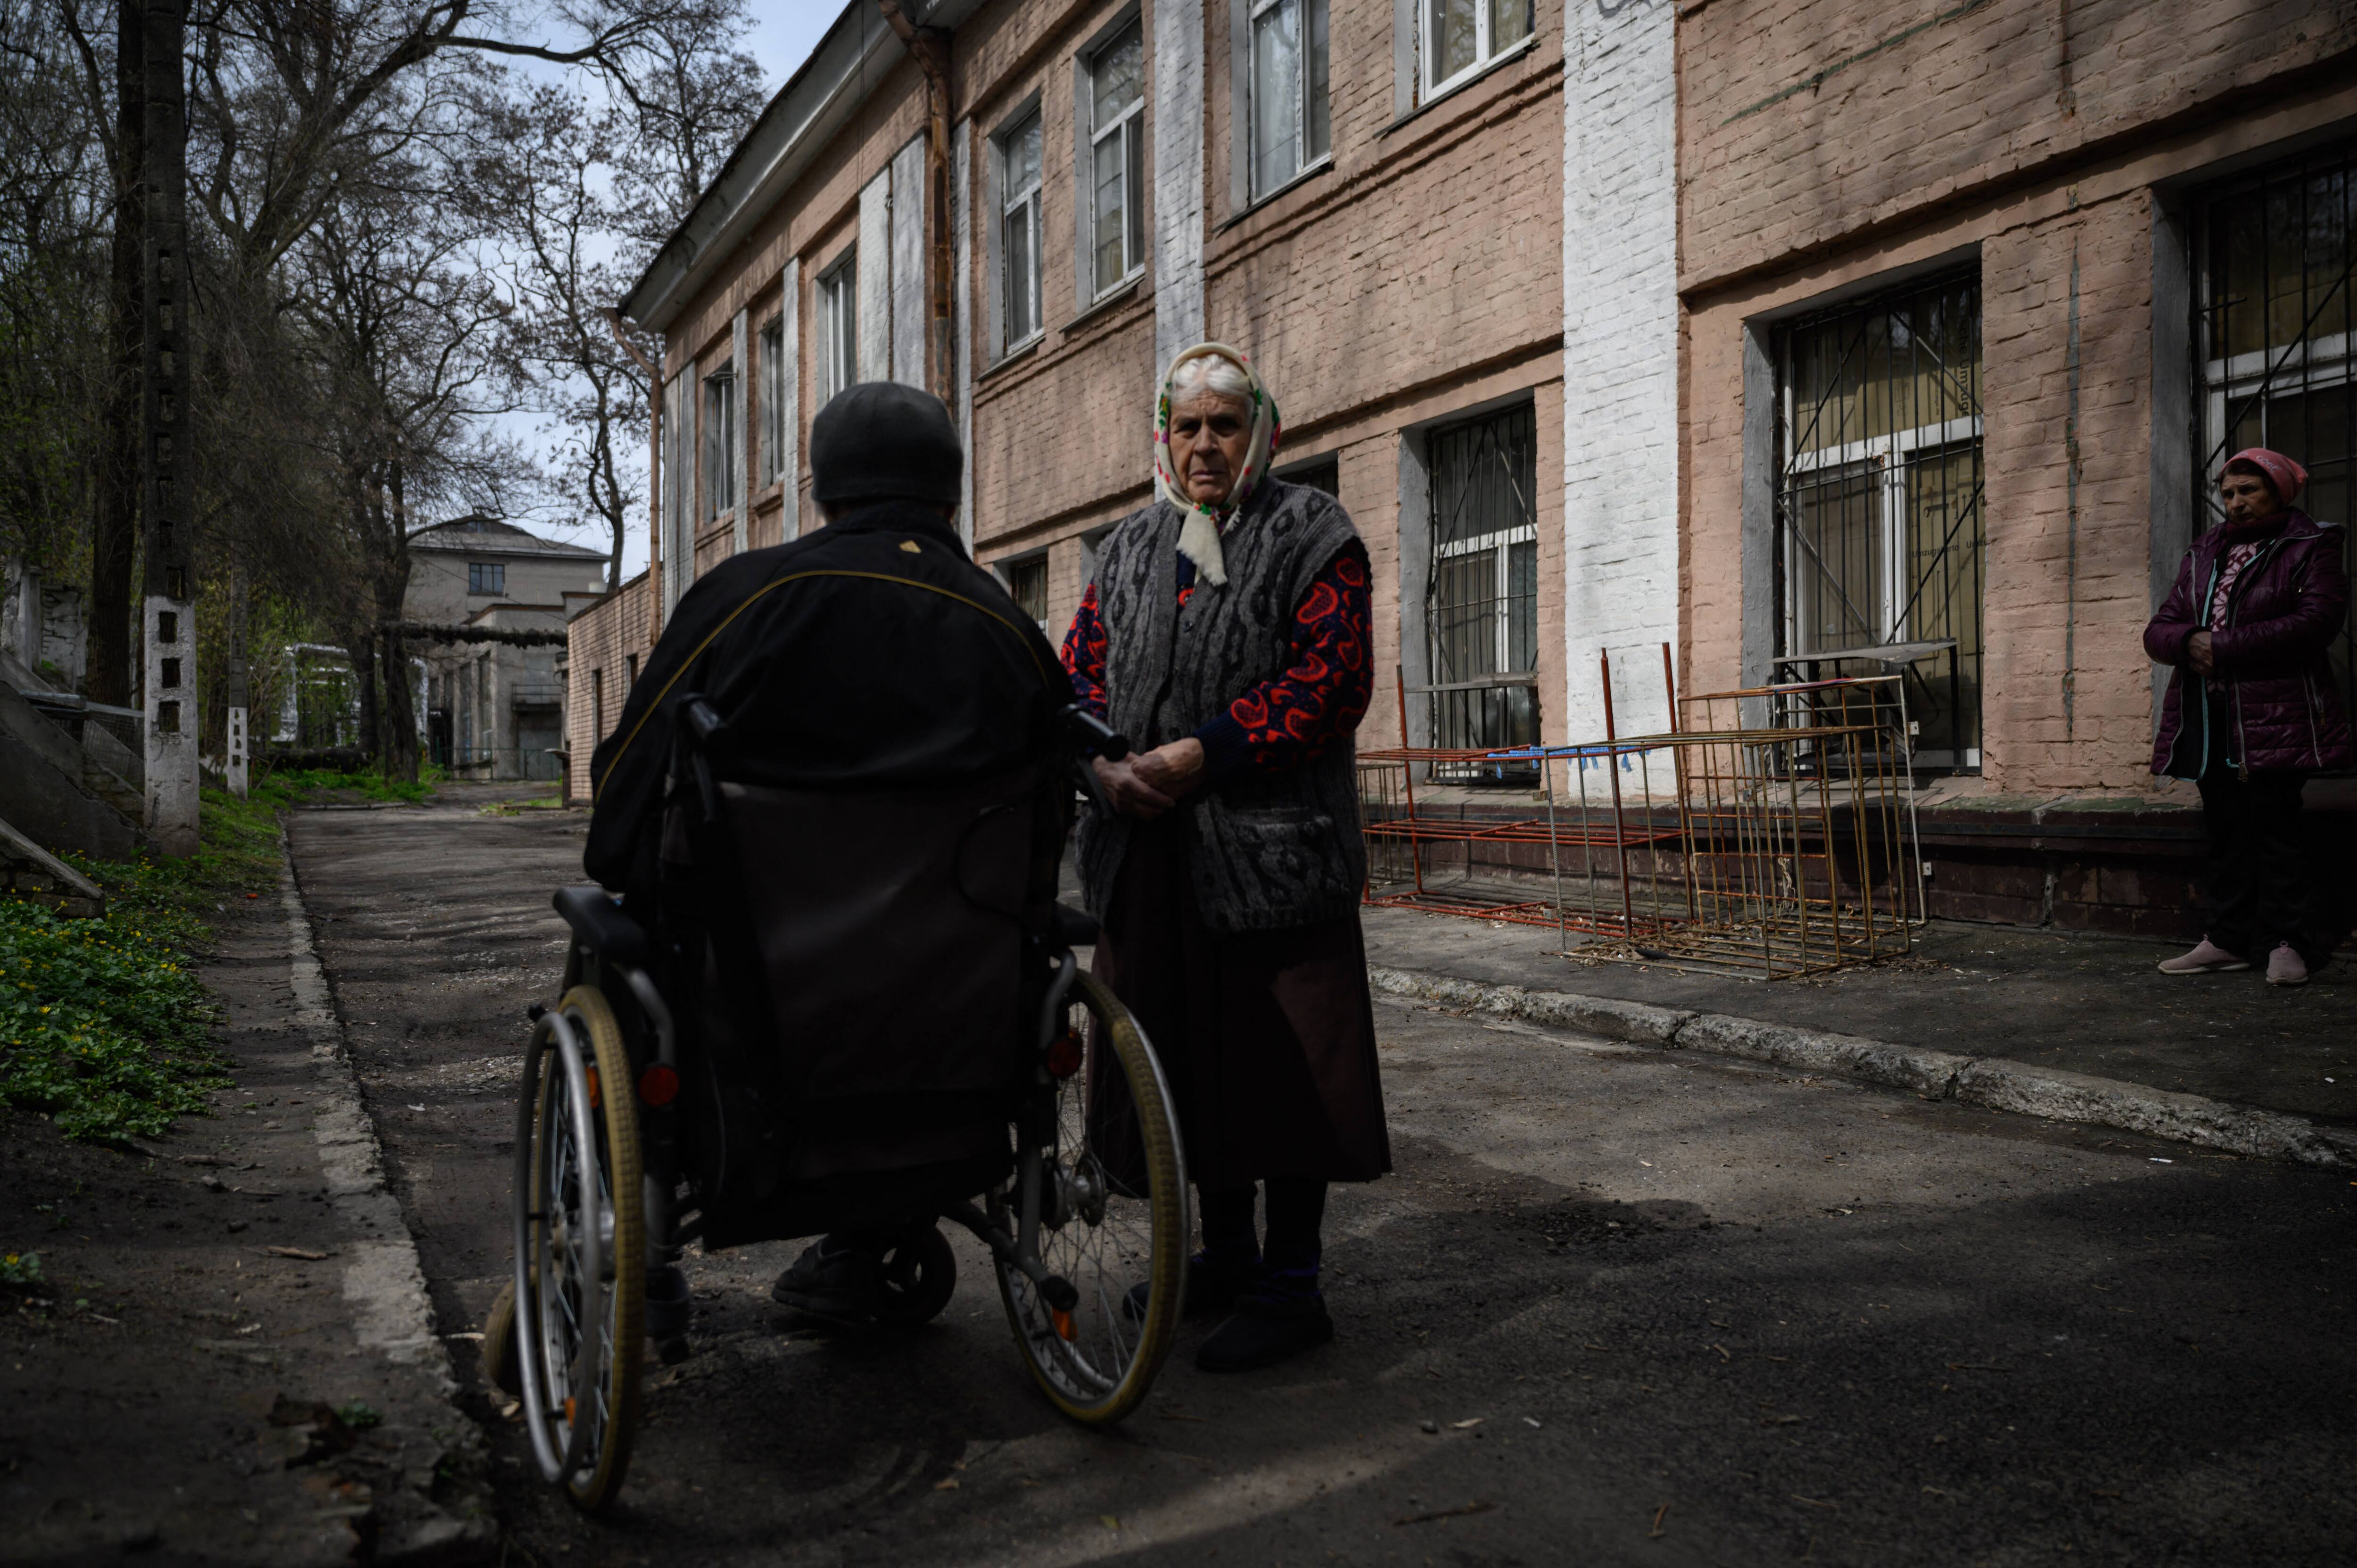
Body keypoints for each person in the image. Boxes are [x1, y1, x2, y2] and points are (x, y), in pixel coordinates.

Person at [584, 380, 1069, 1320]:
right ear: (951, 499)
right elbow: (1053, 817)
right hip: (953, 1042)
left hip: (755, 1041)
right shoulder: (1007, 627)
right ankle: (867, 1234)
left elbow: (626, 789)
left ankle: (640, 1242)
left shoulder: (743, 598)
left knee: (620, 940)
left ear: (820, 492)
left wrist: (630, 865)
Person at [1063, 342, 1390, 1373]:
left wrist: (1207, 751)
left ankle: (1292, 1287)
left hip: (1274, 867)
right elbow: (1076, 676)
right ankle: (1224, 1255)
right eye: (1187, 424)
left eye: (1226, 424)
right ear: (1164, 434)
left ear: (1262, 432)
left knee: (1279, 1072)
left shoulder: (1312, 532)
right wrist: (1102, 763)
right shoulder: (1125, 549)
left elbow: (1329, 684)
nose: (1205, 443)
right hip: (1147, 857)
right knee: (1181, 1069)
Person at [2144, 447, 2352, 985]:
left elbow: (2316, 621)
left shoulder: (2309, 544)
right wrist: (2189, 639)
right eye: (2228, 492)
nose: (2234, 503)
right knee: (2225, 832)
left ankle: (2288, 944)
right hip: (2209, 718)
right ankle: (2227, 940)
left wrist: (2225, 647)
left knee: (2276, 830)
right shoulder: (2204, 550)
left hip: (2276, 715)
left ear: (2278, 492)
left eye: (2248, 491)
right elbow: (2160, 626)